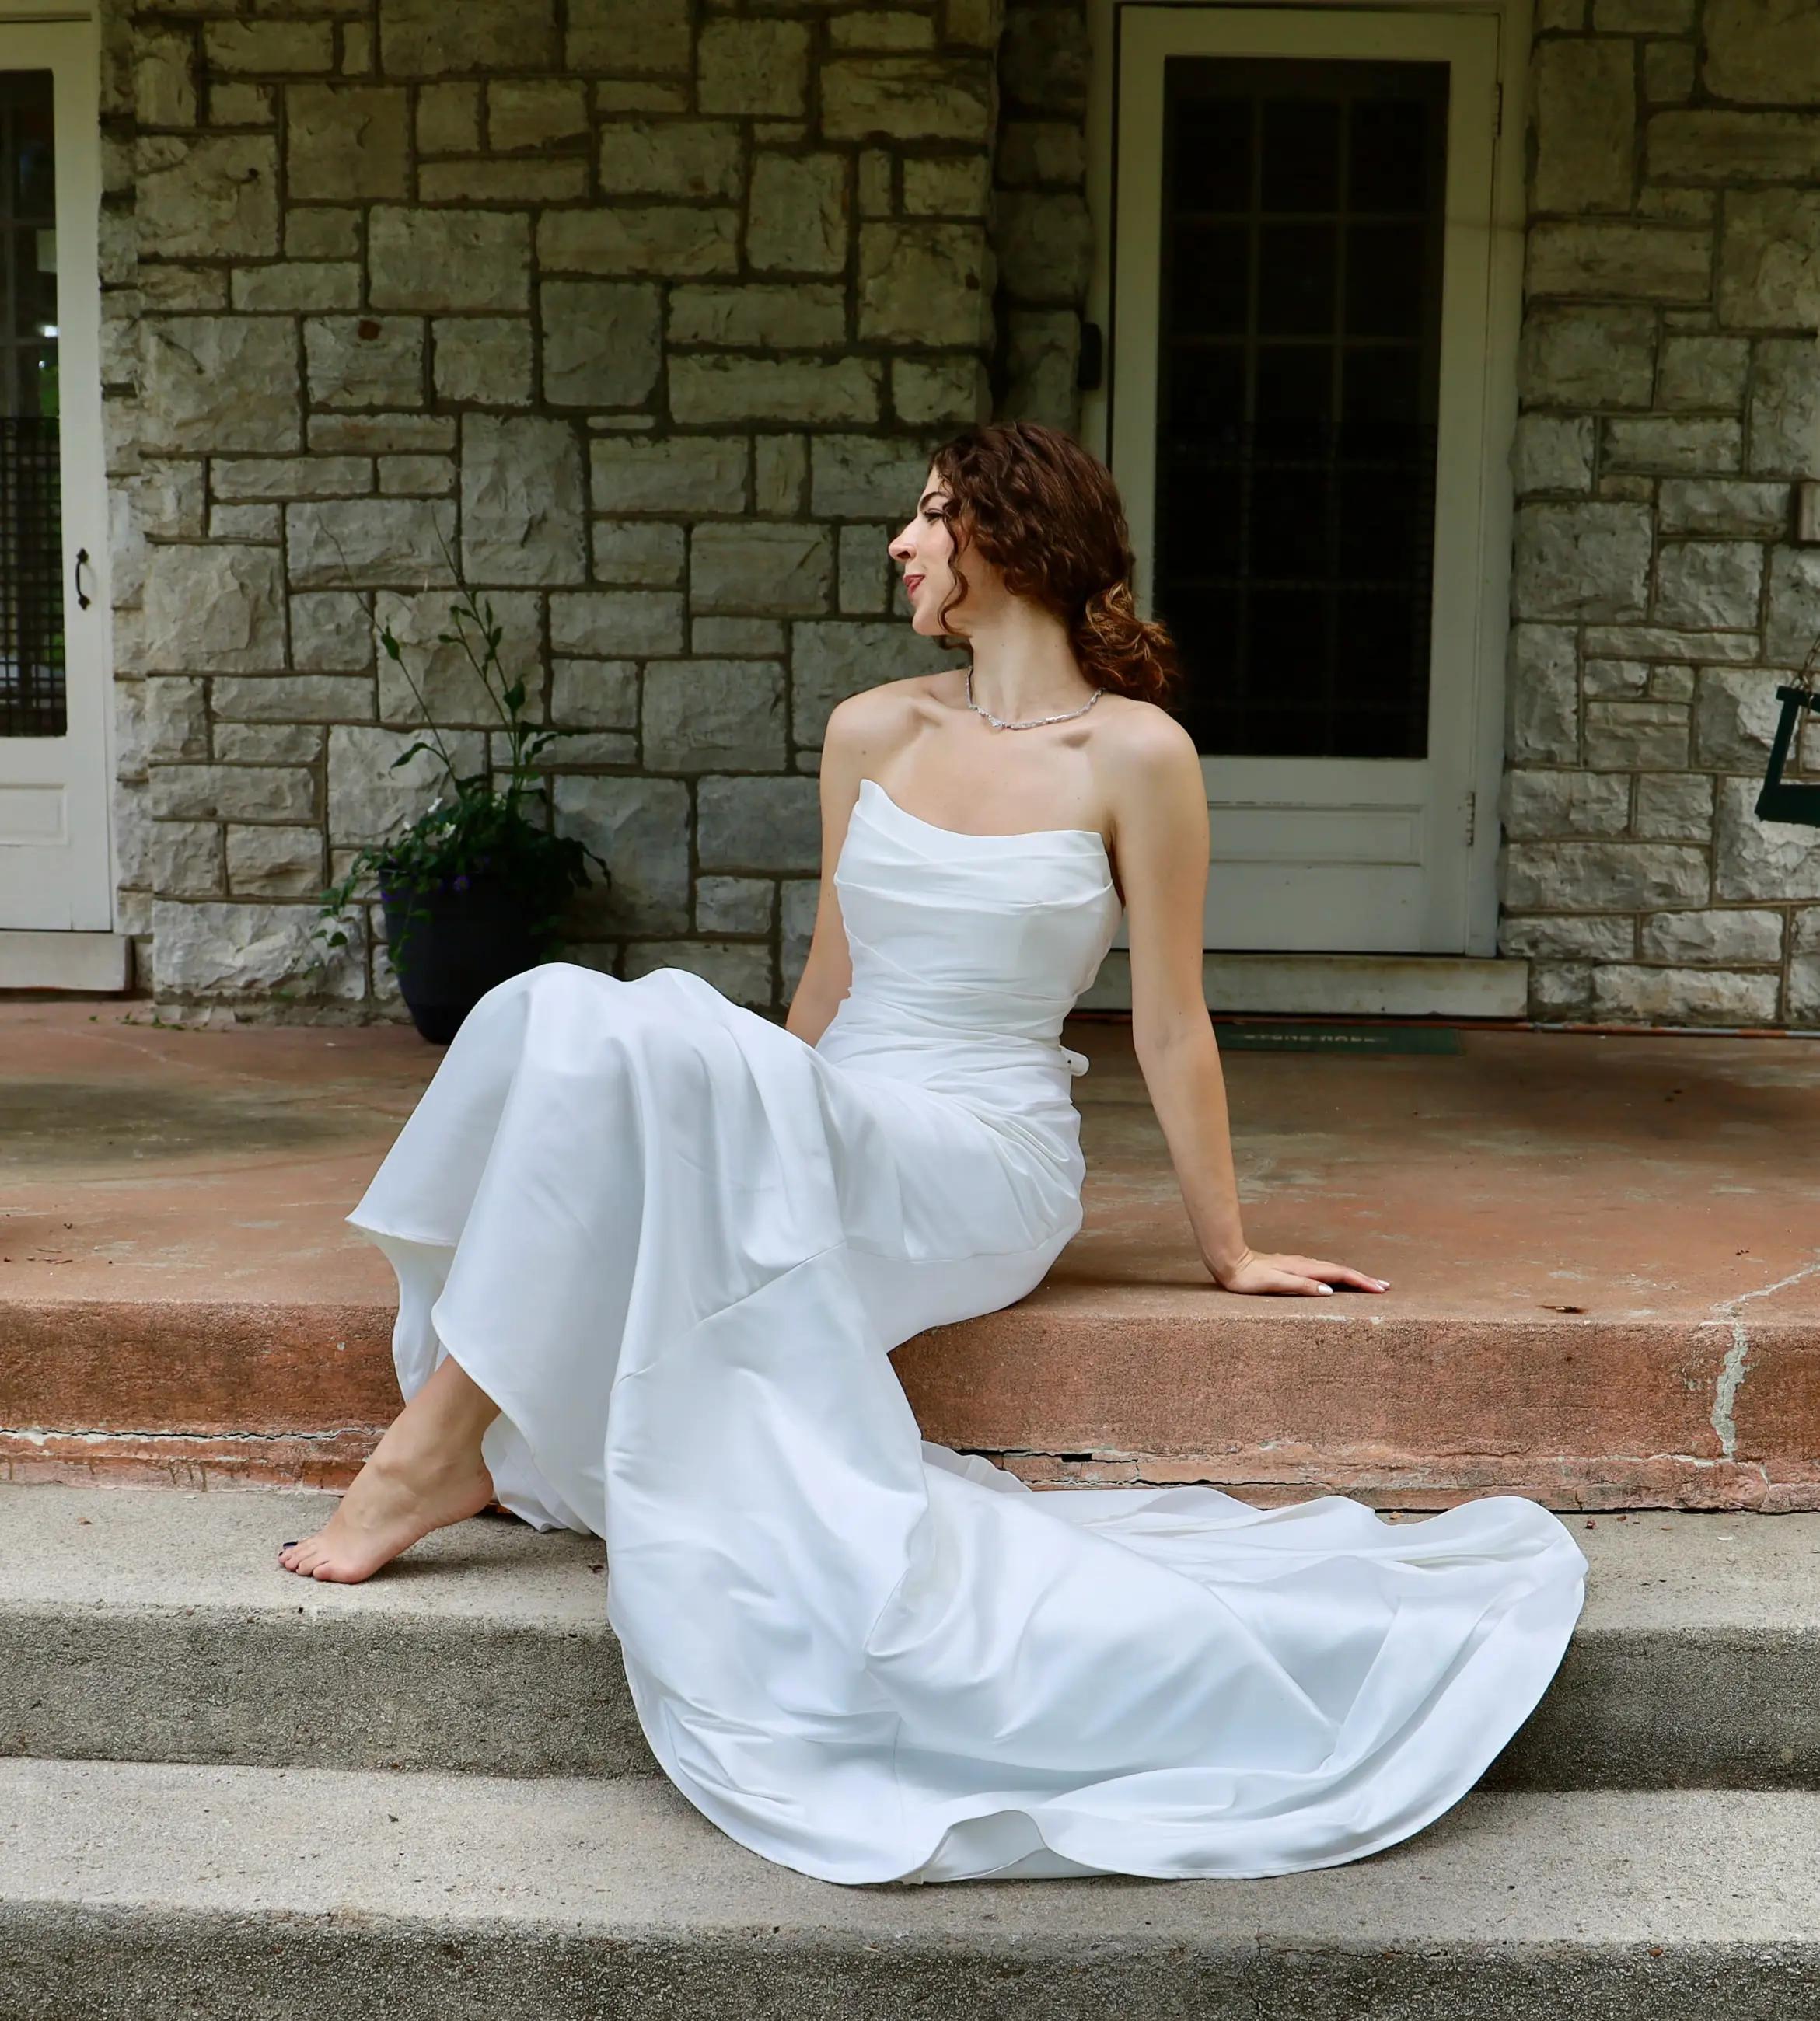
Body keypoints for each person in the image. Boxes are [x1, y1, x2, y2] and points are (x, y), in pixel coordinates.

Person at [278, 421, 1586, 1885]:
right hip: (839, 1111)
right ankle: (441, 1450)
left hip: (980, 1153)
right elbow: (826, 985)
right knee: (578, 1017)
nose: (902, 544)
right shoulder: (872, 728)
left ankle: (431, 1454)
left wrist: (1227, 1246)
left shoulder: (1135, 753)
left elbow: (1169, 1019)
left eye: (929, 515)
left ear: (1011, 540)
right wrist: (741, 1119)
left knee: (628, 1026)